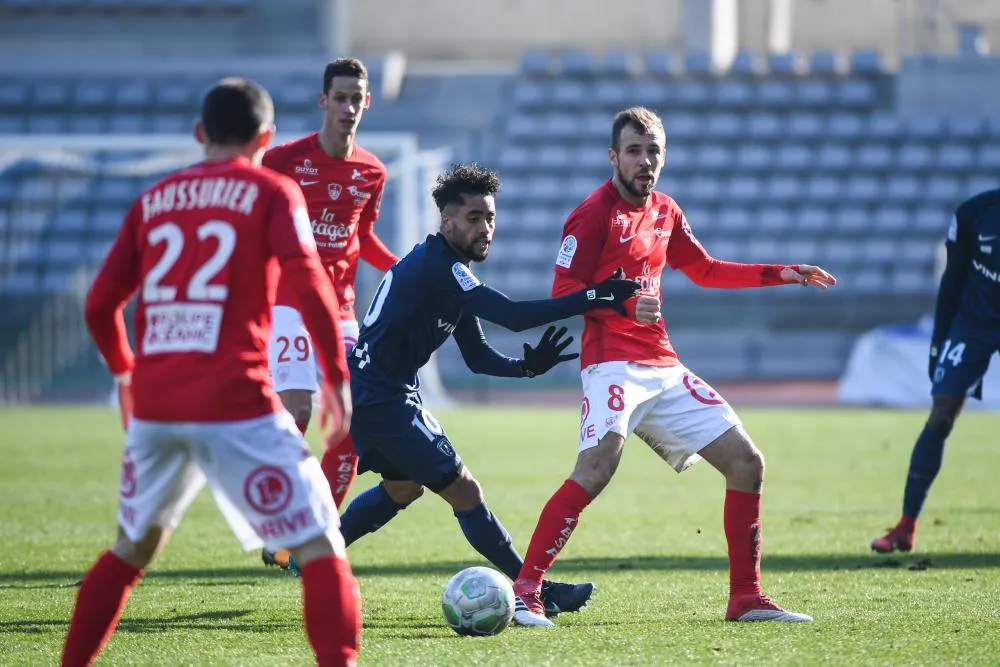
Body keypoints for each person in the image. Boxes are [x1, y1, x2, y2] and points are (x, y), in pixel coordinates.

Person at [62, 78, 360, 667]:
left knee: (131, 550)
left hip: (154, 407)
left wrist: (126, 374)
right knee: (323, 543)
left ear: (200, 135)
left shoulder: (153, 200)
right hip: (235, 402)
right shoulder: (273, 191)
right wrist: (335, 377)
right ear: (266, 137)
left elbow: (100, 305)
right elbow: (308, 282)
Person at [508, 106, 838, 627]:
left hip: (663, 366)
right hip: (611, 365)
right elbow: (562, 294)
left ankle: (745, 597)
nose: (645, 160)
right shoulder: (592, 214)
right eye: (634, 151)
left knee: (747, 463)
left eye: (653, 150)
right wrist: (619, 303)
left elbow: (704, 270)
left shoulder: (665, 210)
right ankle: (526, 589)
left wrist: (785, 272)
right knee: (596, 470)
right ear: (613, 157)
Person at [332, 162, 640, 616]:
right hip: (382, 395)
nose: (485, 228)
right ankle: (531, 589)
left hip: (380, 392)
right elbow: (512, 316)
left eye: (490, 217)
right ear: (447, 222)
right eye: (474, 218)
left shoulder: (449, 271)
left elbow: (477, 356)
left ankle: (316, 551)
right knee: (466, 492)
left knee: (403, 488)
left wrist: (526, 369)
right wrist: (595, 296)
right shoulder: (439, 266)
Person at [263, 57, 396, 509]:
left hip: (341, 311)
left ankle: (317, 523)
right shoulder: (282, 162)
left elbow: (362, 239)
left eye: (356, 99)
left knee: (349, 423)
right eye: (340, 98)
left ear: (367, 103)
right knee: (298, 412)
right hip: (288, 305)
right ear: (324, 100)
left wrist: (406, 268)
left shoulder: (373, 172)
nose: (348, 107)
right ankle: (278, 514)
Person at [871, 188, 1000, 554]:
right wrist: (937, 342)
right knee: (942, 414)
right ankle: (906, 526)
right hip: (972, 325)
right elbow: (952, 279)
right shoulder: (976, 213)